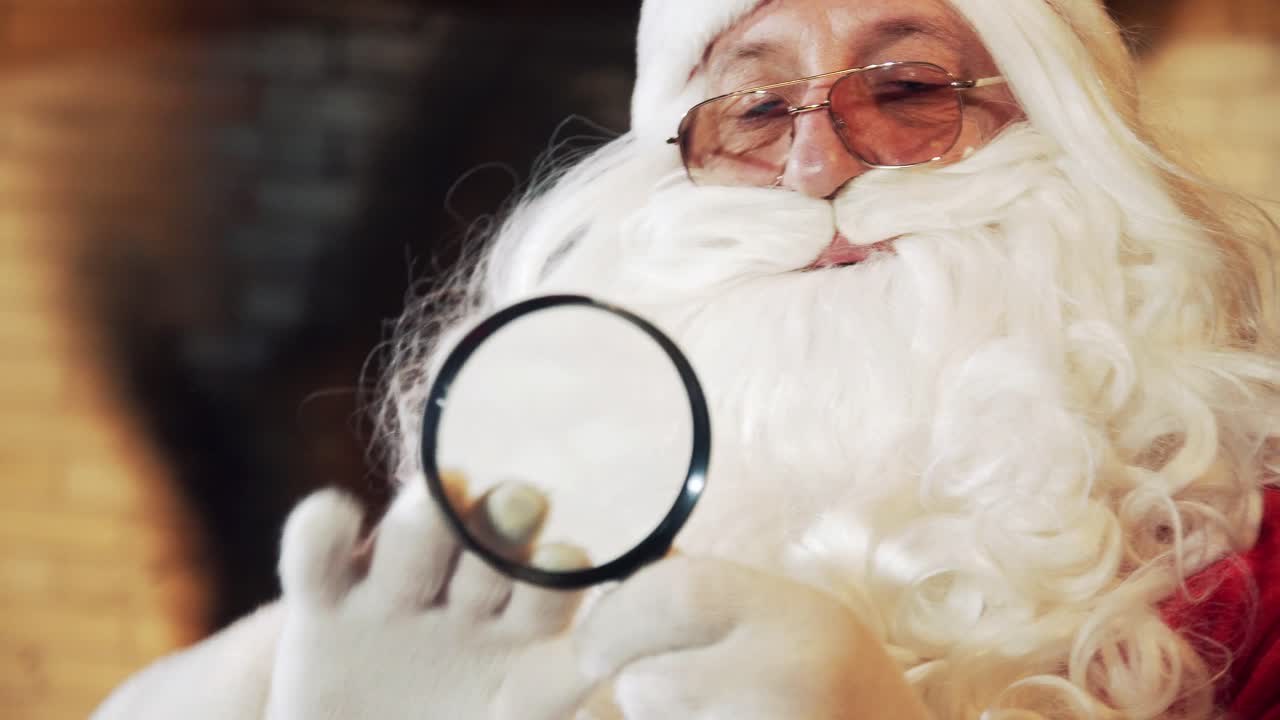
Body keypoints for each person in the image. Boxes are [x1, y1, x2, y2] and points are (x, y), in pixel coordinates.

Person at [94, 0, 1280, 718]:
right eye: (754, 112)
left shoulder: (1256, 579)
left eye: (909, 89)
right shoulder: (461, 595)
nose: (816, 167)